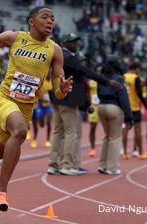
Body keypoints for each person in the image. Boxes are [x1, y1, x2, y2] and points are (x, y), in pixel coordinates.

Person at [0, 7, 73, 212]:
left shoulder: (54, 50)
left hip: (25, 107)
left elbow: (58, 89)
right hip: (4, 99)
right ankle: (1, 193)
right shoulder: (15, 38)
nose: (50, 21)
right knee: (19, 132)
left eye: (53, 18)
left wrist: (62, 90)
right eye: (44, 17)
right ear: (31, 21)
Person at [48, 34, 122, 176]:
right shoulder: (68, 57)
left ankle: (54, 164)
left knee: (58, 132)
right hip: (68, 100)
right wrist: (107, 82)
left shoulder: (57, 55)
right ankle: (67, 165)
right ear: (65, 43)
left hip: (57, 98)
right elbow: (86, 71)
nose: (76, 44)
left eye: (76, 41)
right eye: (73, 42)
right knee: (72, 133)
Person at [97, 56, 133, 175]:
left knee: (107, 136)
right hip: (114, 107)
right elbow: (123, 97)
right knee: (115, 138)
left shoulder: (101, 77)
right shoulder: (119, 78)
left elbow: (98, 93)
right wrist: (129, 117)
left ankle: (102, 165)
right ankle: (112, 167)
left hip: (101, 107)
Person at [122, 63, 147, 160]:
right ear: (136, 69)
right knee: (138, 130)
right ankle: (141, 152)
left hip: (125, 107)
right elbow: (140, 94)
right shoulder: (136, 78)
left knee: (124, 129)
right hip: (135, 107)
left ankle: (124, 152)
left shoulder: (123, 76)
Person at [30, 75, 53, 148]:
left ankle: (48, 140)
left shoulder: (53, 82)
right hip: (40, 104)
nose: (50, 73)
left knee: (49, 121)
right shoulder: (41, 82)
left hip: (49, 105)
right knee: (41, 124)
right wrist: (42, 98)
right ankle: (34, 138)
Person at [87, 64, 103, 157]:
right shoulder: (91, 82)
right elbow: (87, 94)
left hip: (103, 105)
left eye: (101, 71)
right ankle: (92, 148)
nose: (99, 72)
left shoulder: (104, 82)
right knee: (92, 127)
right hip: (93, 106)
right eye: (98, 71)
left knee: (107, 128)